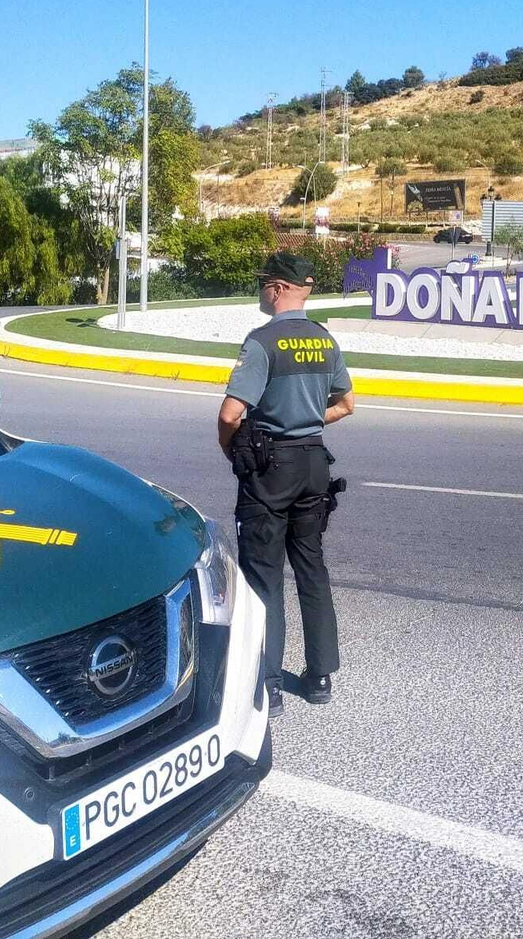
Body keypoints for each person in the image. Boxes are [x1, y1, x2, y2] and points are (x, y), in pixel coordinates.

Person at [217, 252, 354, 717]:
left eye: (263, 285)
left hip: (270, 468)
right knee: (312, 568)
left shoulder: (261, 342)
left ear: (277, 289)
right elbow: (347, 404)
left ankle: (268, 682)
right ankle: (320, 676)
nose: (260, 292)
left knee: (263, 576)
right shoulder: (324, 340)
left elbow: (230, 414)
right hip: (314, 461)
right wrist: (308, 420)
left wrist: (236, 453)